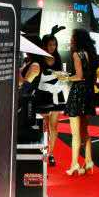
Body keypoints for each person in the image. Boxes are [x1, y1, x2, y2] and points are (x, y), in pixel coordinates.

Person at [54, 28, 96, 176]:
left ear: (77, 39)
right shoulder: (89, 53)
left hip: (78, 92)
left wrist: (65, 78)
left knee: (75, 133)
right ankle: (89, 161)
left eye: (72, 37)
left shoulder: (76, 54)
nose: (71, 40)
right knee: (84, 131)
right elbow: (86, 75)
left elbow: (79, 76)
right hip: (87, 92)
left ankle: (74, 165)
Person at [35, 32, 66, 166]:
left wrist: (62, 76)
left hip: (56, 95)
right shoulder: (39, 59)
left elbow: (62, 76)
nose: (52, 47)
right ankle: (42, 150)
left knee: (53, 126)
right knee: (44, 126)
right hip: (43, 95)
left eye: (54, 44)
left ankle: (51, 153)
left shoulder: (58, 58)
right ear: (44, 45)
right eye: (50, 44)